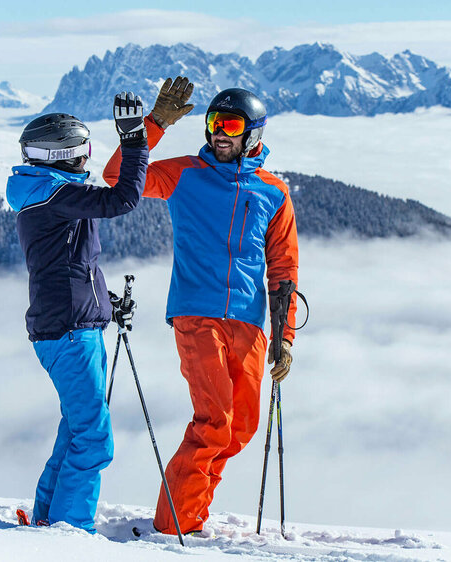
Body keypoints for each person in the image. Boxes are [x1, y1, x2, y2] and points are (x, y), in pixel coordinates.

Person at [103, 80, 300, 535]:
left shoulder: (274, 193)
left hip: (249, 323)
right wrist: (152, 127)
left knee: (241, 427)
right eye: (213, 123)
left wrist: (284, 337)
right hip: (196, 314)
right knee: (214, 421)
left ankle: (191, 509)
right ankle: (177, 526)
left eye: (230, 124)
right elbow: (116, 177)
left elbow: (284, 270)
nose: (218, 133)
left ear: (254, 133)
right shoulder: (186, 173)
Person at [5, 92, 148, 532]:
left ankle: (48, 518)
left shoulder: (45, 194)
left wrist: (103, 303)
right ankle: (70, 534)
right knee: (94, 441)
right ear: (64, 154)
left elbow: (75, 265)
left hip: (67, 326)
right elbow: (123, 200)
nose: (87, 158)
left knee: (76, 430)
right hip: (69, 332)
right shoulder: (55, 195)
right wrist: (135, 141)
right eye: (84, 150)